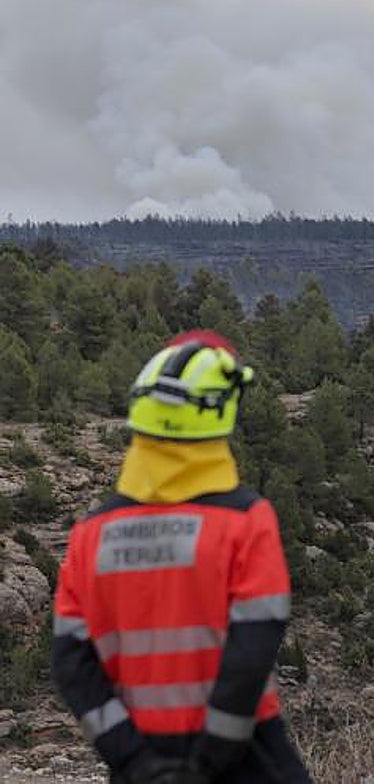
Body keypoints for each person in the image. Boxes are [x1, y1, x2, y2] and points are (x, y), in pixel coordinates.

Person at [51, 330, 311, 784]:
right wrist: (209, 760)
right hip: (245, 755)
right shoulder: (247, 522)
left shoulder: (89, 536)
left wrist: (133, 761)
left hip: (138, 759)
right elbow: (252, 650)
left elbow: (72, 664)